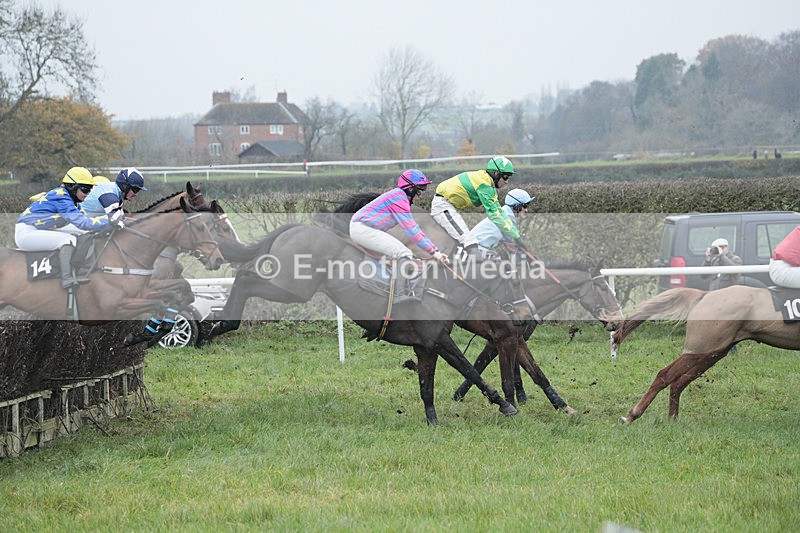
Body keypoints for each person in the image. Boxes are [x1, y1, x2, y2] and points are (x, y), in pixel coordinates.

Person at [16, 167, 110, 288]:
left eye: (90, 190)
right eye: (85, 190)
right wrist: (109, 220)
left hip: (37, 230)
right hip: (26, 234)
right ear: (72, 186)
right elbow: (83, 222)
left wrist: (109, 223)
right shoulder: (61, 197)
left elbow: (86, 224)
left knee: (80, 232)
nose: (88, 194)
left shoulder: (72, 201)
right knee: (68, 240)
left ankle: (82, 267)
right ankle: (67, 279)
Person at [350, 169, 449, 269]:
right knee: (404, 254)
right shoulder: (399, 199)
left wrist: (435, 250)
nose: (420, 197)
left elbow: (415, 229)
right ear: (410, 189)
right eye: (418, 192)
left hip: (364, 229)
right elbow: (412, 231)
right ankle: (400, 285)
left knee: (404, 255)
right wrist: (434, 252)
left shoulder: (398, 196)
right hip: (363, 230)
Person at [430, 156, 523, 260]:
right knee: (469, 242)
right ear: (496, 173)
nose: (507, 182)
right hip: (443, 206)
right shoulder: (484, 184)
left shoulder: (485, 181)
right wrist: (516, 236)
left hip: (447, 204)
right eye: (505, 177)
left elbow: (499, 212)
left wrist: (516, 235)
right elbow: (495, 216)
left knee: (465, 241)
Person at [472, 188, 533, 259]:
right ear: (516, 205)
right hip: (476, 249)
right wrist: (528, 258)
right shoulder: (508, 216)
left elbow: (506, 239)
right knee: (502, 267)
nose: (526, 210)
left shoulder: (504, 212)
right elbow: (513, 241)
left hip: (478, 247)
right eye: (525, 206)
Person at [80, 167, 146, 224]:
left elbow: (123, 218)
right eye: (135, 190)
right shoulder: (110, 195)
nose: (135, 194)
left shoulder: (115, 193)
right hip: (74, 223)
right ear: (125, 186)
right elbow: (116, 220)